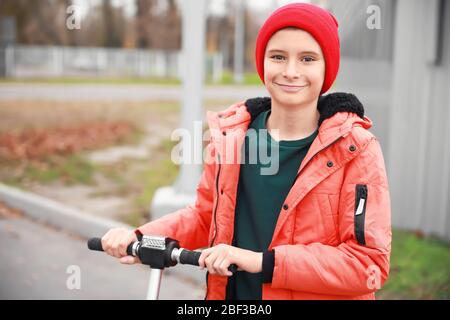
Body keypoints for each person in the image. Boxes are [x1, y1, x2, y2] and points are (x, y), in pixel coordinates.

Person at [101, 3, 392, 300]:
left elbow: (367, 263)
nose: (291, 71)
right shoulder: (233, 137)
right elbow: (205, 216)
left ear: (326, 67)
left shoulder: (356, 149)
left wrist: (261, 262)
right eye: (278, 56)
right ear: (262, 62)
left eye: (307, 58)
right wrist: (140, 238)